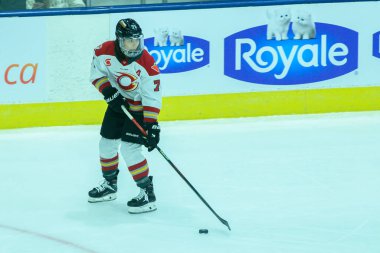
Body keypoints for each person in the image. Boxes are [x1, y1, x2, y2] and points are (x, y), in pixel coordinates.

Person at [88, 18, 162, 214]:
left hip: (138, 109)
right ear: (119, 40)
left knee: (130, 151)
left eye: (137, 40)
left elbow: (151, 96)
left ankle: (147, 193)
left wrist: (151, 125)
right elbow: (96, 74)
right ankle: (110, 184)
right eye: (129, 41)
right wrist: (108, 91)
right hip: (117, 106)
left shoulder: (147, 63)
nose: (134, 45)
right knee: (106, 144)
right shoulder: (103, 51)